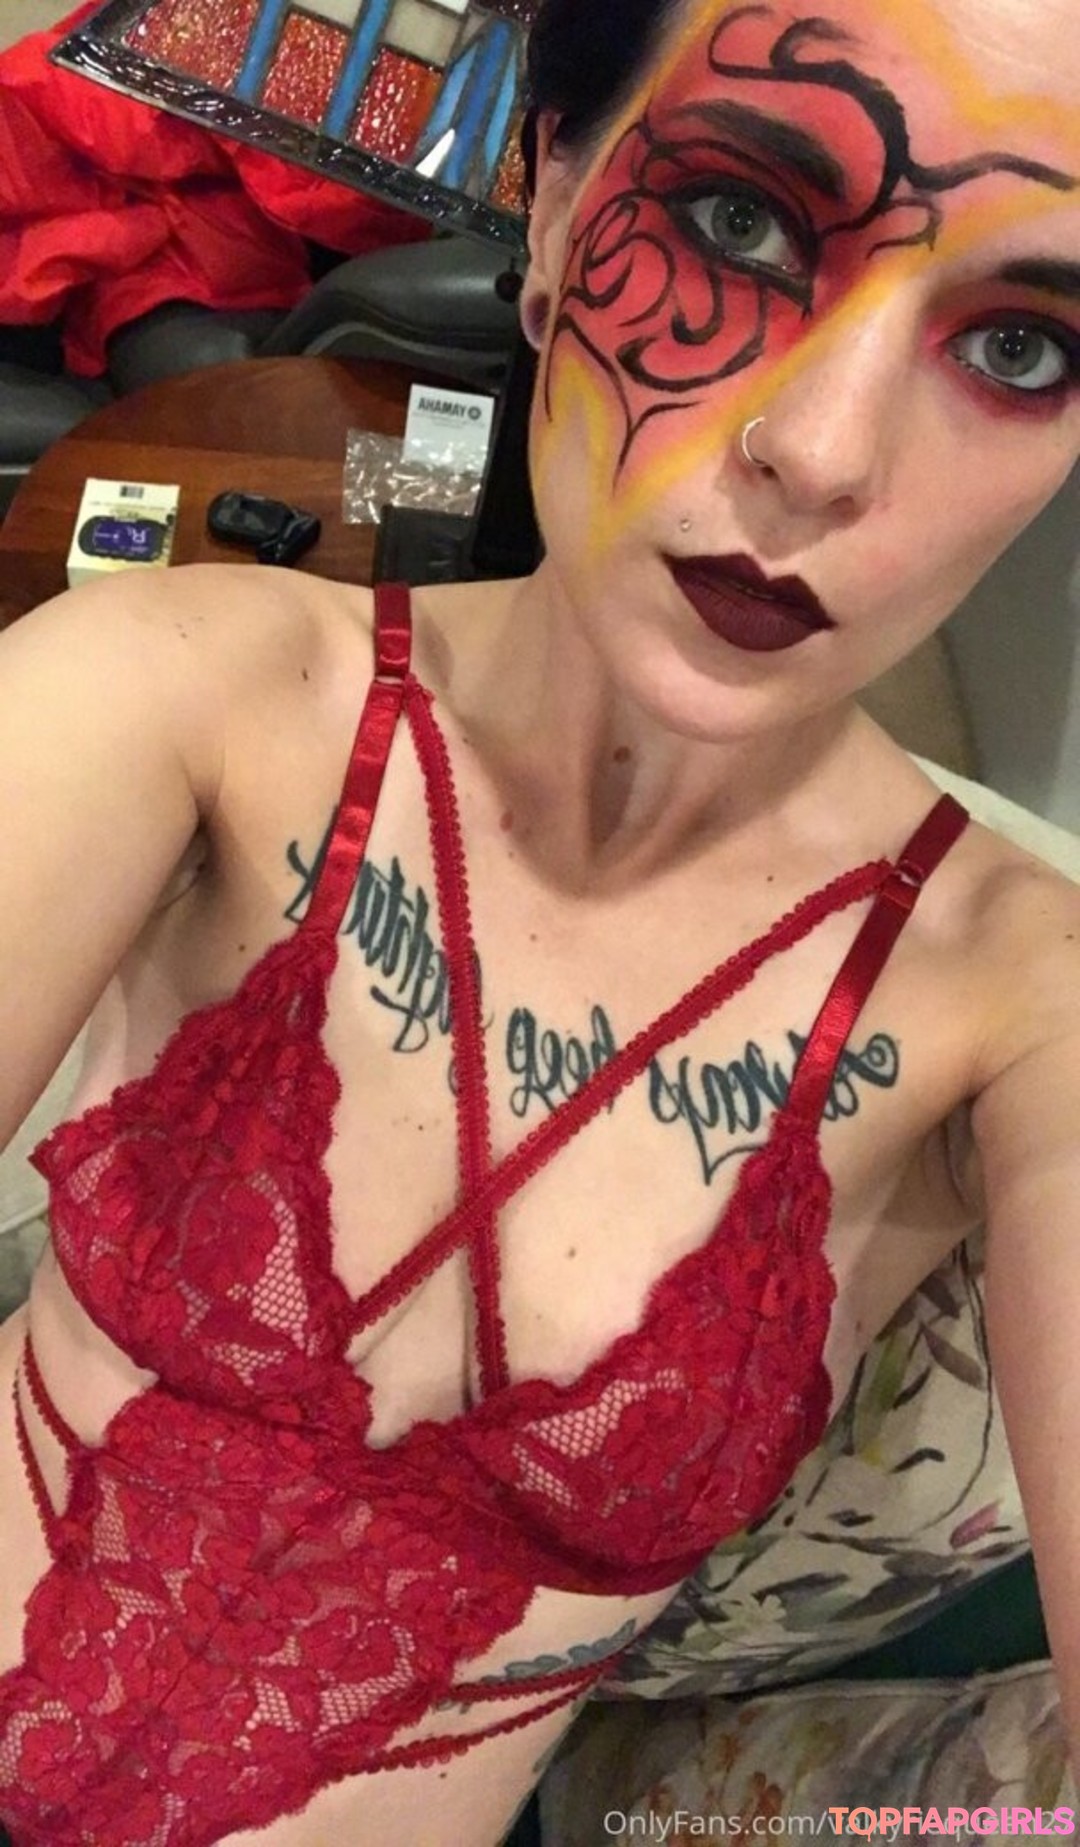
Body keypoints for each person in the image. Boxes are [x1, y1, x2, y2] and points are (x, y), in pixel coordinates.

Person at [0, 0, 1078, 1840]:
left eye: (1020, 344)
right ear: (561, 196)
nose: (823, 455)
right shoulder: (188, 689)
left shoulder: (1018, 999)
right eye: (740, 222)